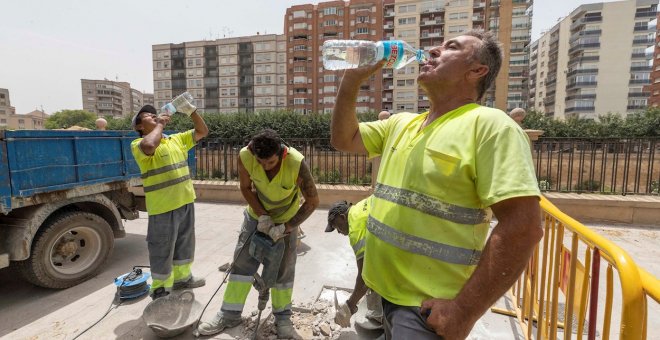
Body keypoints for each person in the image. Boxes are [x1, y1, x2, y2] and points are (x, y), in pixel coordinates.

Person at [330, 30, 543, 339]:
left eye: (450, 47)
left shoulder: (492, 127)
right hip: (382, 293)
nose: (432, 51)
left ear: (477, 71)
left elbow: (523, 228)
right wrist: (351, 81)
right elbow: (342, 139)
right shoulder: (402, 124)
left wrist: (464, 312)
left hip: (424, 311)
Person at [198, 129, 319, 339]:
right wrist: (262, 216)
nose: (264, 167)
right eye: (260, 162)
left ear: (281, 154)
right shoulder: (246, 155)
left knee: (283, 271)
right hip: (256, 217)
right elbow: (245, 188)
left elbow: (313, 201)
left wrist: (287, 228)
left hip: (285, 221)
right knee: (241, 265)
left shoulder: (296, 163)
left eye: (270, 163)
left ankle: (282, 318)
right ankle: (229, 314)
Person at [130, 104, 209, 299]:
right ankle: (160, 288)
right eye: (147, 116)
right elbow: (149, 146)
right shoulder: (138, 144)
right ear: (140, 127)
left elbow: (202, 131)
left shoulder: (176, 139)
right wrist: (160, 125)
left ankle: (183, 279)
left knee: (185, 244)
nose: (153, 115)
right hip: (163, 207)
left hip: (185, 202)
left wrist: (192, 111)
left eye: (154, 113)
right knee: (162, 249)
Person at [326, 197, 383, 331]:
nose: (339, 232)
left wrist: (349, 306)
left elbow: (364, 277)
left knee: (378, 276)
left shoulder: (355, 229)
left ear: (342, 217)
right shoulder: (359, 208)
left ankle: (388, 324)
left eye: (337, 227)